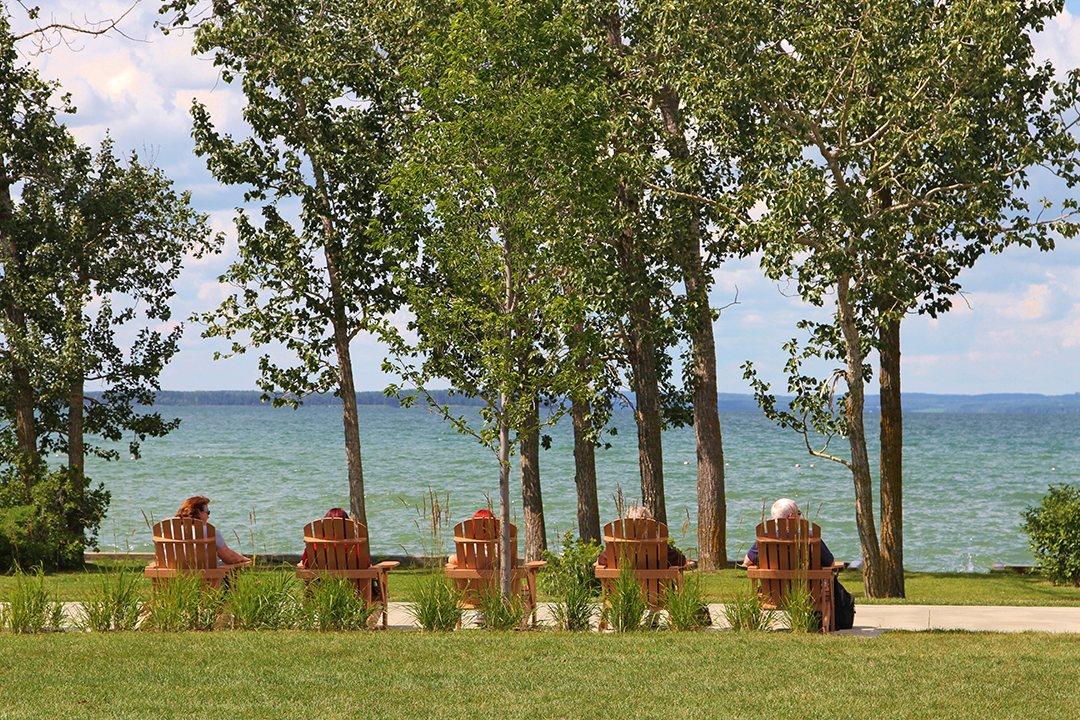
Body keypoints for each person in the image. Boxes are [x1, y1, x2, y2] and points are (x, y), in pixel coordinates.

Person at [741, 497, 834, 568]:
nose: (800, 516)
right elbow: (831, 563)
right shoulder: (810, 536)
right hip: (807, 590)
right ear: (791, 516)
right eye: (799, 513)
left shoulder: (765, 539)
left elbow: (746, 562)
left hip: (773, 591)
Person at [595, 506, 689, 568]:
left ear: (627, 524)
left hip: (622, 595)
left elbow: (600, 562)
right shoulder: (659, 547)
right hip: (657, 596)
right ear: (648, 524)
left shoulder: (617, 547)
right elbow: (682, 561)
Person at [176, 495, 250, 567]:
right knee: (232, 565)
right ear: (198, 511)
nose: (208, 516)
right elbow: (229, 557)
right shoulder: (209, 531)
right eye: (207, 512)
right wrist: (243, 558)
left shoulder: (170, 531)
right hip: (205, 574)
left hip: (173, 574)